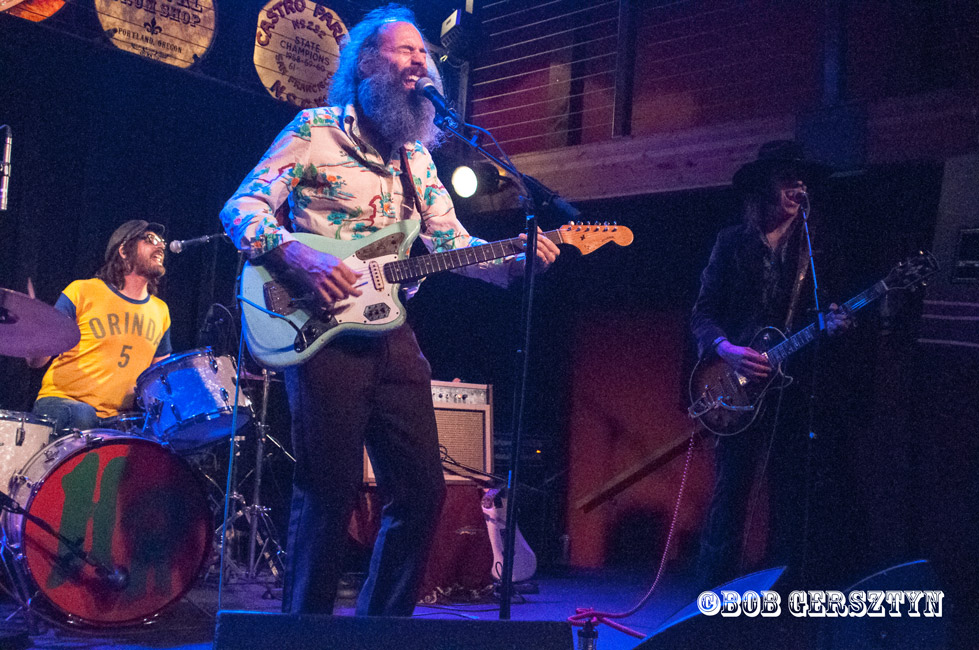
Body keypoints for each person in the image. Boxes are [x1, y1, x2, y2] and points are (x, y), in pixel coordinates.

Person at [219, 4, 559, 617]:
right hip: (318, 329)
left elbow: (451, 245)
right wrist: (301, 256)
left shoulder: (418, 158)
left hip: (392, 329)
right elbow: (240, 210)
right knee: (328, 492)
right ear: (366, 63)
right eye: (404, 50)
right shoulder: (314, 130)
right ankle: (306, 632)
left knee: (423, 492)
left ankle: (379, 628)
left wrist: (513, 259)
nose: (418, 60)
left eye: (423, 52)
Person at [690, 140, 851, 589]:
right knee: (730, 496)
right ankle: (708, 600)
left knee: (791, 496)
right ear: (763, 187)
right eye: (787, 178)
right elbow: (702, 313)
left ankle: (780, 601)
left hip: (791, 390)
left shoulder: (814, 250)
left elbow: (824, 313)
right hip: (735, 385)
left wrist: (833, 324)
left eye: (802, 181)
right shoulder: (731, 243)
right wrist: (726, 348)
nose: (798, 186)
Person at [29, 220, 172, 433]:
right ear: (124, 250)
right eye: (150, 239)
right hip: (61, 403)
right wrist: (33, 334)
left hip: (116, 420)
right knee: (83, 415)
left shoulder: (161, 311)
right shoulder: (82, 292)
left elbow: (160, 377)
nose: (160, 245)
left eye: (161, 241)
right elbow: (36, 361)